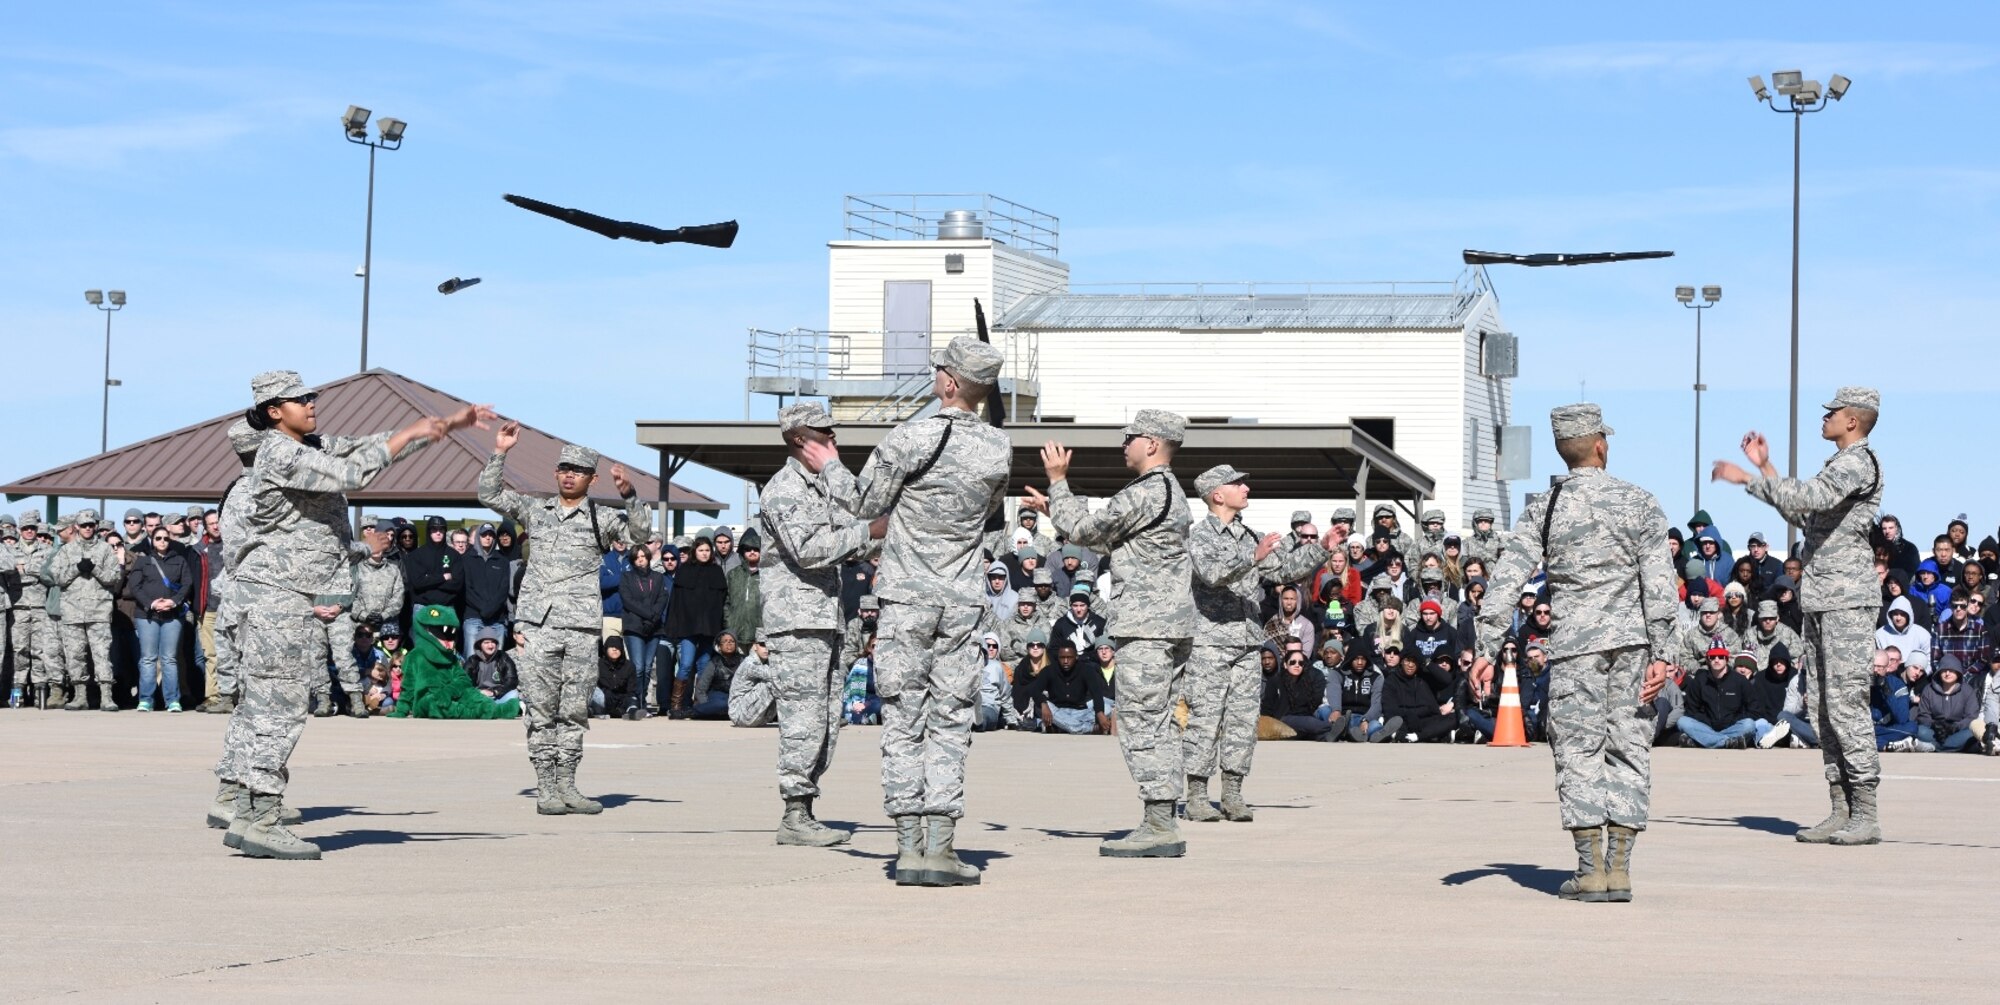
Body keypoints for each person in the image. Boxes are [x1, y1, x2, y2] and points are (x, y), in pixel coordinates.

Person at [214, 371, 486, 859]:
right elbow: (352, 473)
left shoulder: (308, 445)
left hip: (287, 593)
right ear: (274, 410)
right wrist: (411, 434)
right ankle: (261, 817)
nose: (311, 403)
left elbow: (366, 446)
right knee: (281, 707)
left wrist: (437, 428)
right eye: (300, 399)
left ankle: (251, 811)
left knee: (271, 706)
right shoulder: (277, 452)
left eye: (311, 395)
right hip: (277, 595)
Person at [1477, 404, 1675, 904]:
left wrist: (1487, 644)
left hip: (1573, 652)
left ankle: (1589, 872)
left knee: (1579, 753)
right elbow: (1660, 583)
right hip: (1633, 648)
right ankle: (1621, 870)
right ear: (1602, 446)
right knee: (1628, 750)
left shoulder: (1545, 507)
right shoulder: (1639, 502)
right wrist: (1664, 653)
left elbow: (1507, 576)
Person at [843, 335, 1011, 887]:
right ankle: (940, 847)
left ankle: (908, 847)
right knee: (950, 720)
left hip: (907, 600)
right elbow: (989, 518)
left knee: (903, 718)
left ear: (949, 382)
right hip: (961, 601)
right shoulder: (997, 449)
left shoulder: (910, 436)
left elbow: (866, 506)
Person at [1714, 385, 1886, 844]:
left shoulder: (1856, 462)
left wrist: (1746, 479)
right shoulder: (1838, 465)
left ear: (1853, 419)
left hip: (1848, 599)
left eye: (1832, 412)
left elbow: (1811, 496)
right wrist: (1765, 467)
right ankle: (1840, 807)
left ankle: (1865, 813)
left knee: (1846, 705)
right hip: (1824, 598)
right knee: (1823, 706)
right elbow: (1801, 509)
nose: (1824, 418)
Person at [1022, 409, 1193, 859]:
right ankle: (1162, 817)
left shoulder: (1148, 490)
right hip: (1167, 623)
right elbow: (1100, 534)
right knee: (1159, 722)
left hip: (1147, 625)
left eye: (1131, 438)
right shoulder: (1169, 491)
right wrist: (1055, 507)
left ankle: (1159, 823)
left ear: (1152, 443)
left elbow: (1086, 531)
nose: (1124, 445)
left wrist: (1059, 482)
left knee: (1140, 721)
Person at [479, 426, 651, 816]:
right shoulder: (534, 509)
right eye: (563, 468)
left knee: (573, 709)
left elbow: (641, 535)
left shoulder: (601, 518)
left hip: (580, 625)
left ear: (592, 478)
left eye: (578, 470)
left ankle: (568, 784)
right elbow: (488, 495)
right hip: (537, 624)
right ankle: (546, 788)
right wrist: (500, 453)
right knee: (540, 709)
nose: (569, 475)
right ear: (555, 474)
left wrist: (629, 495)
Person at [753, 402, 884, 844]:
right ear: (799, 440)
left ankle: (805, 809)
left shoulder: (821, 487)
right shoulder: (784, 489)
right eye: (824, 434)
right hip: (797, 622)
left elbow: (849, 539)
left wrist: (879, 534)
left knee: (828, 719)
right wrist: (870, 532)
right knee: (803, 719)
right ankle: (793, 814)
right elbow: (810, 550)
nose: (834, 441)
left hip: (826, 618)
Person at [1182, 463, 1335, 823]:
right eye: (1238, 484)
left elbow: (1283, 570)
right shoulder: (1200, 536)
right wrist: (1253, 557)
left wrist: (1322, 549)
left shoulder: (1249, 534)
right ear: (1218, 494)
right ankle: (1197, 795)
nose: (1246, 489)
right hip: (1211, 644)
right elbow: (1211, 574)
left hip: (1249, 642)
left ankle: (1233, 793)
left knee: (1242, 720)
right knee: (1206, 719)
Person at [49, 508, 123, 710]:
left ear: (96, 526)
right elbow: (56, 578)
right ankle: (79, 696)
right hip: (72, 611)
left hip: (99, 611)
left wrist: (95, 568)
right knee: (75, 655)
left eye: (91, 525)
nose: (88, 528)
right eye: (84, 525)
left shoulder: (106, 550)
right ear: (76, 527)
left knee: (102, 654)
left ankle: (106, 697)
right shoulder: (66, 551)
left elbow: (114, 578)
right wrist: (76, 568)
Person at [125, 521, 195, 711]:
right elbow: (135, 586)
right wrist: (152, 603)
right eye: (158, 538)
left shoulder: (179, 560)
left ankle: (172, 700)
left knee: (169, 658)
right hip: (146, 615)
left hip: (172, 616)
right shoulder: (143, 561)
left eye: (165, 538)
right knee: (148, 658)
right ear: (152, 540)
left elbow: (187, 584)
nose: (162, 541)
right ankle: (146, 699)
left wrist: (173, 602)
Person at [662, 536, 726, 716]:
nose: (704, 554)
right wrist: (674, 625)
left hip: (709, 628)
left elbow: (720, 602)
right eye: (701, 550)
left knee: (704, 666)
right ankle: (676, 705)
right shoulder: (685, 571)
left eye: (707, 550)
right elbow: (676, 602)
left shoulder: (716, 571)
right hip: (688, 627)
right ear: (694, 552)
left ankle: (700, 705)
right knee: (686, 664)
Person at [617, 547, 669, 716]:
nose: (640, 560)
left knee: (647, 668)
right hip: (634, 627)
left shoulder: (658, 577)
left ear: (648, 558)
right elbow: (628, 601)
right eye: (637, 557)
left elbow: (662, 598)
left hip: (654, 627)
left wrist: (653, 618)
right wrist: (648, 615)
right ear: (632, 560)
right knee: (638, 666)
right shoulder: (626, 577)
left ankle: (643, 702)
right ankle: (635, 701)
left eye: (643, 556)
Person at [1019, 640, 1111, 734]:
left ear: (1076, 657)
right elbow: (1035, 690)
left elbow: (1097, 693)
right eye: (1062, 658)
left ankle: (1059, 726)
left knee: (1108, 708)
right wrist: (1043, 703)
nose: (1065, 661)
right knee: (1039, 706)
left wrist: (1100, 712)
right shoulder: (1049, 670)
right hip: (1056, 711)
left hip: (1080, 713)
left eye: (1069, 657)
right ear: (1058, 657)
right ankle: (1091, 729)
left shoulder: (1087, 670)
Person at [1748, 644, 1816, 749]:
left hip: (1805, 724)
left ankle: (1800, 739)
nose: (1778, 664)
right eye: (1775, 661)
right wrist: (1802, 703)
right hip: (1774, 723)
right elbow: (1787, 710)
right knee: (1769, 721)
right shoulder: (1761, 679)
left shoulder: (1795, 676)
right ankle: (1764, 740)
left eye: (1782, 661)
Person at [1262, 648, 1333, 740]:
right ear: (1285, 664)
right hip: (1283, 720)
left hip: (1302, 722)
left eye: (1301, 663)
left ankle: (1330, 735)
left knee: (1317, 733)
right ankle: (1335, 727)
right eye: (1293, 662)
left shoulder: (1306, 682)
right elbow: (1267, 706)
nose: (1297, 665)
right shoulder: (1275, 681)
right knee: (1310, 722)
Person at [1915, 656, 1978, 752]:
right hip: (1934, 732)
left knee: (1972, 734)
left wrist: (1955, 727)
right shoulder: (1929, 689)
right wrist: (1934, 725)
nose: (1947, 674)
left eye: (1951, 670)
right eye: (1944, 670)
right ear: (1939, 672)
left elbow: (1971, 717)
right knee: (1919, 731)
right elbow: (1923, 715)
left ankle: (1935, 748)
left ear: (1958, 672)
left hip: (1958, 731)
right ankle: (1951, 748)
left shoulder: (1967, 690)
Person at [722, 530, 763, 644]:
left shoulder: (768, 575)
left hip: (759, 637)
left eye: (756, 549)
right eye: (748, 549)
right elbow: (726, 602)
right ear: (742, 552)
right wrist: (729, 625)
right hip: (735, 635)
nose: (752, 552)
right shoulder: (733, 574)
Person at [466, 631, 520, 704]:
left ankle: (489, 707)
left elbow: (512, 680)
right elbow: (464, 682)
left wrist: (495, 692)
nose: (490, 646)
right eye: (486, 643)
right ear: (479, 644)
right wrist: (478, 692)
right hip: (479, 696)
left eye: (493, 642)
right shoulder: (472, 660)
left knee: (514, 694)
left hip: (498, 695)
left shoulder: (503, 657)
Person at [593, 636, 638, 719]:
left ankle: (632, 712)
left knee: (632, 699)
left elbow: (631, 690)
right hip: (604, 699)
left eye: (618, 647)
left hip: (621, 699)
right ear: (606, 649)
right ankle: (594, 711)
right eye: (611, 647)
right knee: (593, 691)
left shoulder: (629, 666)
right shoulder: (598, 664)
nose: (615, 649)